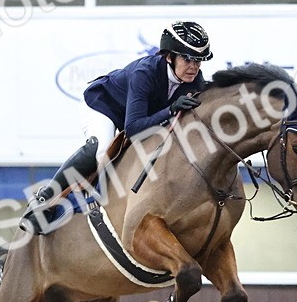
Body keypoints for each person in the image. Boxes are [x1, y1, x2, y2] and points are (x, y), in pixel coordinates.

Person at [20, 21, 213, 234]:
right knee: (99, 149)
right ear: (169, 57)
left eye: (198, 61)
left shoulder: (194, 81)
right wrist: (170, 111)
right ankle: (43, 199)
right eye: (187, 59)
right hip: (103, 106)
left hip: (137, 117)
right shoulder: (145, 73)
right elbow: (133, 129)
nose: (194, 67)